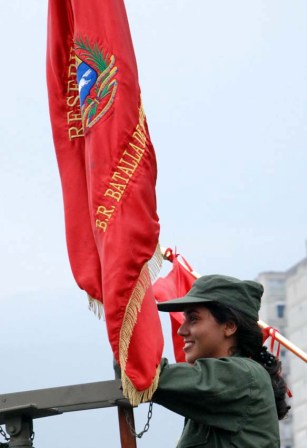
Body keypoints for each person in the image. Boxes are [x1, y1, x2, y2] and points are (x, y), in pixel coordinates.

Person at [153, 274, 290, 447]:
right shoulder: (226, 385)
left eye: (193, 319)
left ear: (229, 326)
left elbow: (149, 375)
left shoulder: (243, 374)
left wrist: (126, 317)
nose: (181, 330)